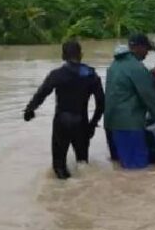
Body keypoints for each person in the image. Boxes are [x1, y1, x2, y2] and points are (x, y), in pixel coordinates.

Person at [23, 40, 105, 179]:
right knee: (82, 163)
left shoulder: (57, 74)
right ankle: (84, 188)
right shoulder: (91, 75)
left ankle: (63, 187)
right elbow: (101, 103)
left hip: (62, 121)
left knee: (59, 166)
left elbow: (41, 94)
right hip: (81, 122)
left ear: (63, 56)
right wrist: (92, 124)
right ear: (81, 55)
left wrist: (29, 110)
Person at [104, 33, 155, 169]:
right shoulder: (138, 69)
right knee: (138, 169)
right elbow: (150, 101)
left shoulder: (114, 65)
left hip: (111, 124)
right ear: (138, 48)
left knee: (121, 166)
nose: (147, 53)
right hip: (129, 125)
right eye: (146, 49)